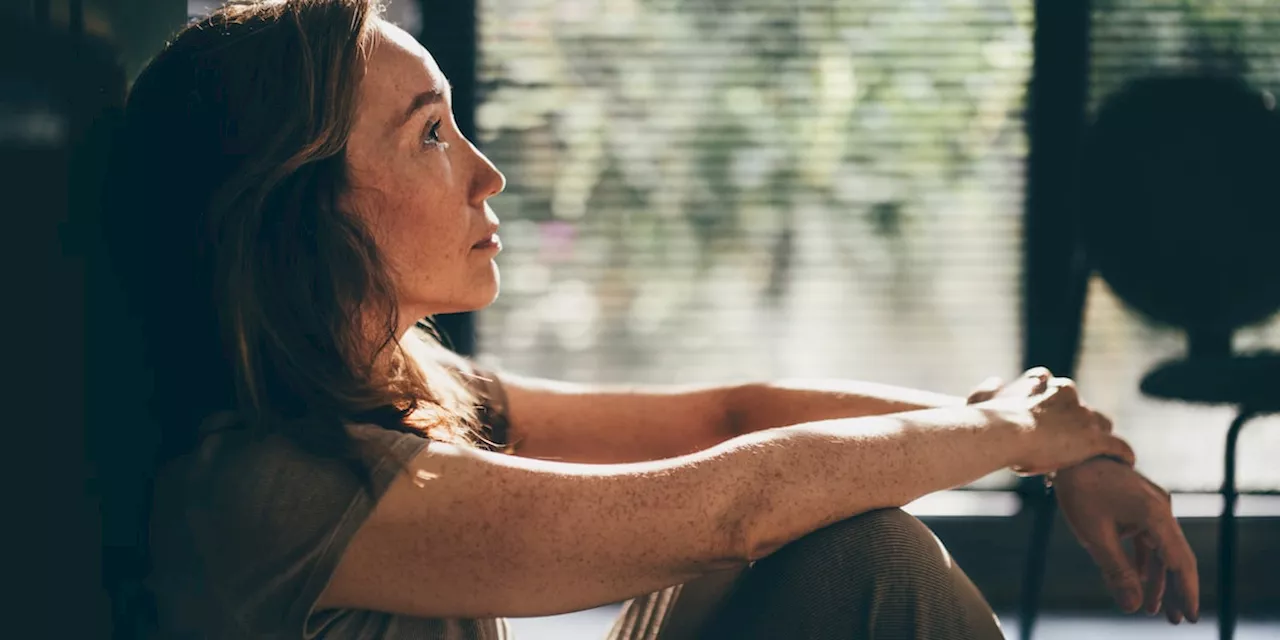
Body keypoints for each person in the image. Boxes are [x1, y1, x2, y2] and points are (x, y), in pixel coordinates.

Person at [103, 1, 1200, 638]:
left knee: (849, 536)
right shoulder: (257, 488)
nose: (485, 175)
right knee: (858, 558)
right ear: (303, 206)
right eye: (431, 135)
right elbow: (738, 504)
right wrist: (1020, 433)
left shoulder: (406, 379)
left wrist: (1056, 448)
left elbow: (733, 413)